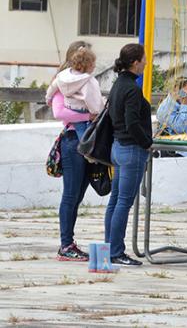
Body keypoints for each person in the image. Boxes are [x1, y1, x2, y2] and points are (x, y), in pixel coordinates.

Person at [105, 43, 154, 267]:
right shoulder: (132, 89)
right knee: (123, 202)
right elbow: (132, 122)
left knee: (115, 201)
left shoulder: (118, 84)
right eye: (143, 59)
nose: (146, 62)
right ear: (135, 62)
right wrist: (147, 143)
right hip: (131, 149)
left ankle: (109, 247)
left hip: (117, 147)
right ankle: (116, 251)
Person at [51, 40, 95, 261]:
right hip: (72, 142)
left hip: (87, 141)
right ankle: (66, 244)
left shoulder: (86, 82)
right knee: (70, 195)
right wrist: (89, 116)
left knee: (77, 195)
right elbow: (60, 113)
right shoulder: (62, 82)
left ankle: (69, 242)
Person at [45, 45, 104, 140]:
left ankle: (84, 147)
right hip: (83, 110)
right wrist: (97, 112)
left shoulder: (63, 75)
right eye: (93, 63)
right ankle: (86, 149)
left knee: (80, 130)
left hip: (71, 108)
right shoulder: (88, 81)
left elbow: (53, 86)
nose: (95, 66)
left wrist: (48, 97)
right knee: (87, 136)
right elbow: (91, 99)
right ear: (88, 66)